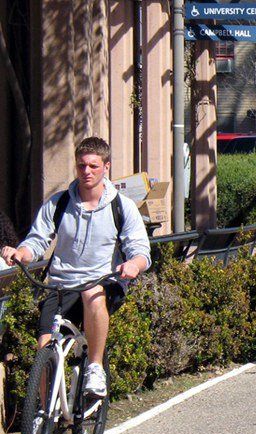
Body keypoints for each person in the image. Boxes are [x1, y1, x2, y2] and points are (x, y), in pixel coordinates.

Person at [1, 137, 151, 398]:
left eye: (93, 166)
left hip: (102, 281)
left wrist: (133, 265)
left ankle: (95, 367)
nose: (87, 172)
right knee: (45, 347)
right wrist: (21, 253)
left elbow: (141, 250)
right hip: (61, 283)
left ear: (106, 167)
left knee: (92, 293)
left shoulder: (122, 207)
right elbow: (37, 240)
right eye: (82, 165)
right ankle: (43, 412)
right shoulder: (59, 204)